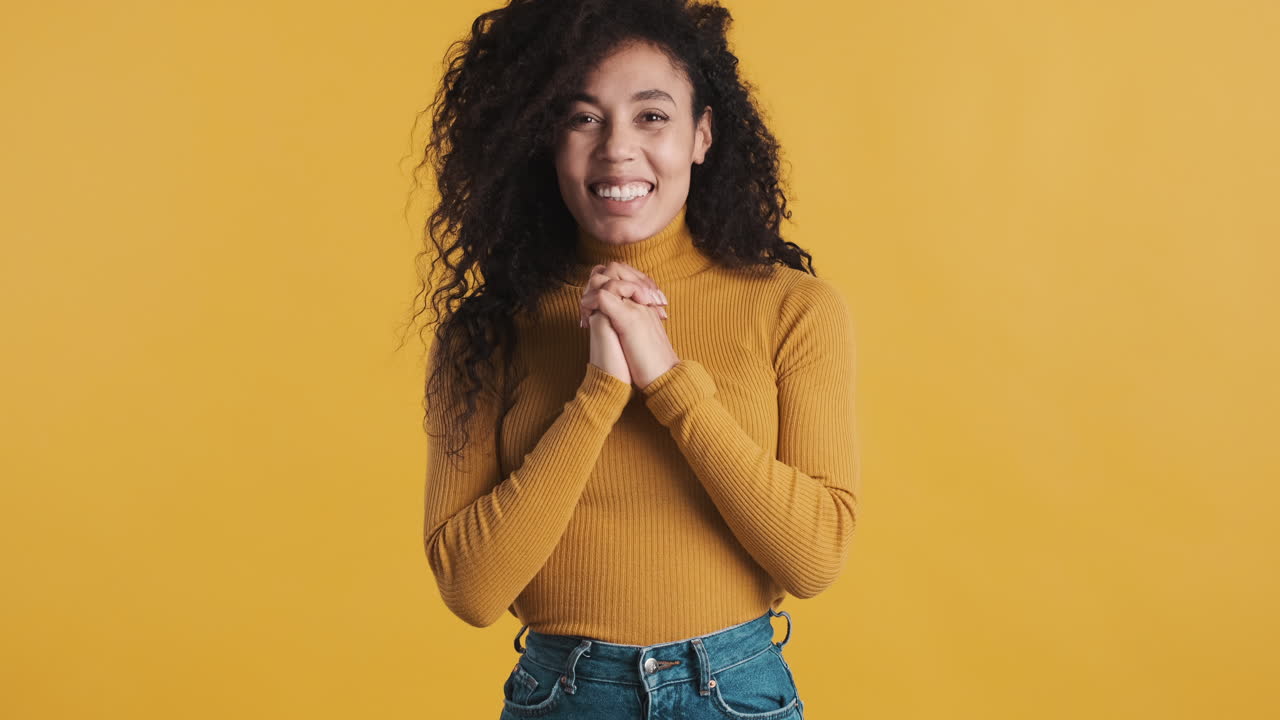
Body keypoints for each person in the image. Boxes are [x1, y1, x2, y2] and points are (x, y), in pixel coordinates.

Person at [411, 0, 859, 717]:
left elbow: (813, 559)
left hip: (736, 693)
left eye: (651, 116)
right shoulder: (486, 331)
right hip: (563, 695)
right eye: (582, 117)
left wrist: (668, 382)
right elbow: (471, 589)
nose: (617, 149)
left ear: (702, 135)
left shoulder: (793, 307)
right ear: (543, 139)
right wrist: (598, 392)